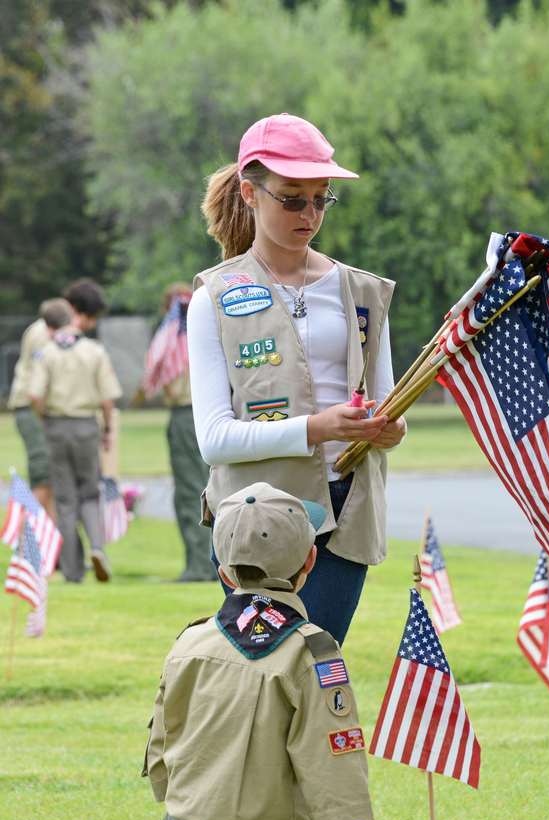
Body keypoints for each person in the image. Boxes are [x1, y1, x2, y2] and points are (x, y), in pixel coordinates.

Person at [143, 481, 421, 820]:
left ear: (225, 570)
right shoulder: (311, 651)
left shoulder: (190, 639)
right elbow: (336, 788)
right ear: (310, 563)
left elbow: (159, 755)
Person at [187, 113, 407, 645]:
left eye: (321, 198)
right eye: (292, 198)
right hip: (253, 519)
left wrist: (389, 432)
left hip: (345, 511)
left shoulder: (362, 293)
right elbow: (214, 441)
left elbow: (386, 410)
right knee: (264, 678)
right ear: (250, 192)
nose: (309, 214)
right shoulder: (212, 297)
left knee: (316, 672)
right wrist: (320, 428)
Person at [29, 315, 122, 583]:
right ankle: (96, 547)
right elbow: (107, 399)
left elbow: (34, 394)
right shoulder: (93, 350)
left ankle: (72, 571)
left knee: (65, 500)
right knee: (89, 494)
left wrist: (45, 416)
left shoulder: (46, 352)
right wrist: (106, 429)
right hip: (85, 425)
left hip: (57, 425)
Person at [135, 283, 217, 582]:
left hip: (186, 416)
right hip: (216, 415)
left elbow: (157, 372)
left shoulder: (173, 335)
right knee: (216, 487)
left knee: (189, 492)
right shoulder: (209, 329)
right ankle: (218, 562)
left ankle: (199, 566)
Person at [7, 298, 73, 523]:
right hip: (32, 407)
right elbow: (40, 382)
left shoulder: (50, 329)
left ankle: (53, 551)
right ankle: (26, 543)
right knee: (42, 474)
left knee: (52, 479)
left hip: (39, 407)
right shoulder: (42, 332)